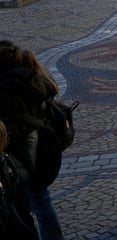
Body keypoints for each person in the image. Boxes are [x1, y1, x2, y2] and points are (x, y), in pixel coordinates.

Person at [0, 41, 65, 240]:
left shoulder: (7, 87)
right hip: (40, 147)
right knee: (41, 199)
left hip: (17, 152)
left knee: (19, 207)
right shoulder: (35, 76)